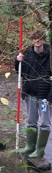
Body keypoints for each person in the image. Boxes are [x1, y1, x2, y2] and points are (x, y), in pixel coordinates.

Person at [15, 30, 52, 158]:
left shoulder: (50, 56)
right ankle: (30, 146)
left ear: (44, 40)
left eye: (40, 38)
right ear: (32, 40)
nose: (37, 41)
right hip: (30, 94)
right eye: (35, 38)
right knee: (31, 121)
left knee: (45, 123)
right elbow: (20, 72)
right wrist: (17, 61)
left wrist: (50, 98)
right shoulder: (28, 54)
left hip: (44, 97)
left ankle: (40, 149)